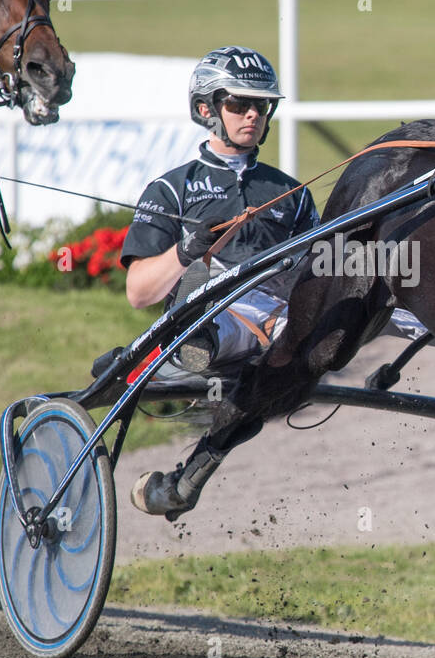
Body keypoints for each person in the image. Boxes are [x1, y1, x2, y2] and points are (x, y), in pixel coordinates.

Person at [120, 46, 319, 514]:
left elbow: (318, 272)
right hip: (214, 315)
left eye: (262, 105)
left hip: (284, 314)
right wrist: (184, 252)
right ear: (206, 109)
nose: (253, 114)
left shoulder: (291, 193)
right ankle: (204, 334)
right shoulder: (172, 189)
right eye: (238, 104)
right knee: (213, 313)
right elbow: (138, 292)